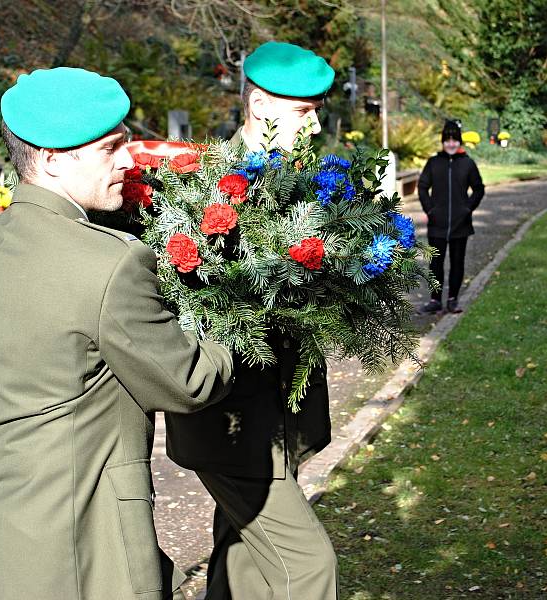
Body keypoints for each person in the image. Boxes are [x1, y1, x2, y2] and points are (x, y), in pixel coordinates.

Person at [0, 67, 234, 600]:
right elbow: (189, 382)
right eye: (110, 148)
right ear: (52, 159)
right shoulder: (111, 264)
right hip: (90, 547)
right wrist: (240, 321)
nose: (128, 161)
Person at [165, 41, 338, 600]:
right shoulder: (210, 187)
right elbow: (191, 314)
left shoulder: (296, 180)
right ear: (261, 106)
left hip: (277, 413)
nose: (315, 126)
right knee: (308, 567)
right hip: (233, 423)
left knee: (242, 559)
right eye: (304, 111)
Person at [418, 119, 485, 314]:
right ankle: (435, 300)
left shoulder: (468, 164)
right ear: (442, 141)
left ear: (460, 141)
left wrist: (467, 209)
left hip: (460, 224)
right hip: (437, 224)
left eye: (454, 139)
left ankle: (453, 299)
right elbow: (422, 187)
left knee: (457, 263)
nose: (451, 143)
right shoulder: (433, 163)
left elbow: (479, 189)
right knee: (435, 264)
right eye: (447, 140)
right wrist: (429, 210)